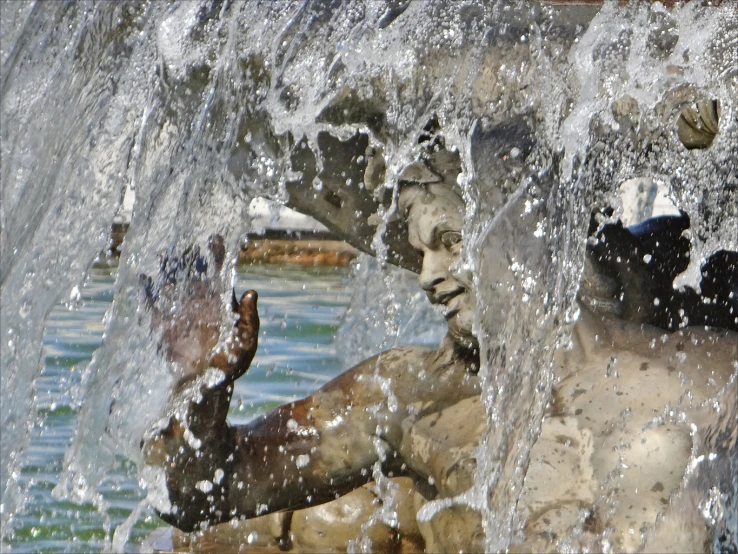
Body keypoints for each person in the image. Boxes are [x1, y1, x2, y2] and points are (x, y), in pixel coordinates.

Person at [142, 144, 736, 551]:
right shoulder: (411, 395)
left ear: (520, 232)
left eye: (448, 243)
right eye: (420, 251)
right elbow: (201, 494)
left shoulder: (702, 377)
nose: (428, 275)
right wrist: (203, 386)